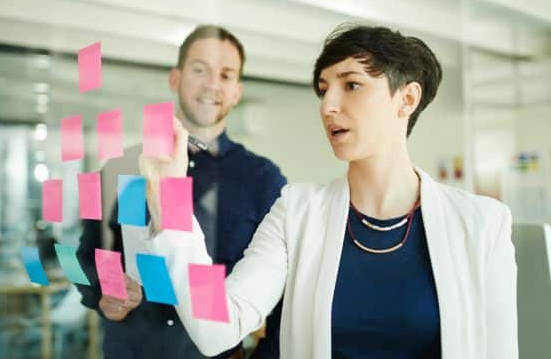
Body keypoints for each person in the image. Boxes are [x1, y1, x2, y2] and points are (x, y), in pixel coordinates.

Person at [137, 24, 518, 358]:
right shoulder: (296, 212)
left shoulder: (482, 224)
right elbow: (216, 326)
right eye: (324, 90)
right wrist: (170, 200)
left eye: (352, 85)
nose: (328, 105)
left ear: (407, 99)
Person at [76, 25, 286, 359]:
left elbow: (280, 290)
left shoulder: (263, 181)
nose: (212, 84)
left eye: (226, 75)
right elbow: (88, 253)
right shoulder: (126, 166)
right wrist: (105, 290)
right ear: (176, 78)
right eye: (200, 69)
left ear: (237, 91)